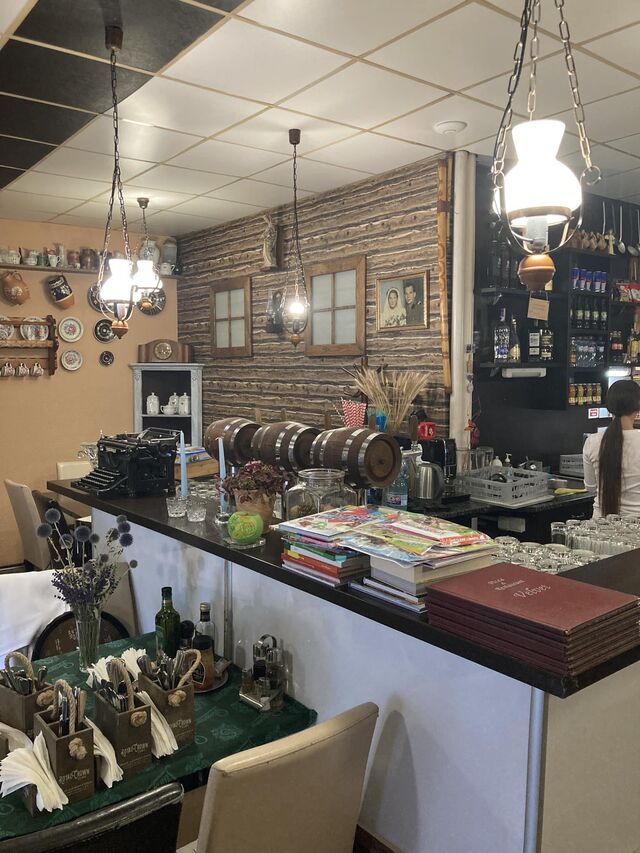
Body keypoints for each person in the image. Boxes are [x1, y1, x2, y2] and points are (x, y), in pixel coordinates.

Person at [583, 380, 640, 518]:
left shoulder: (592, 441)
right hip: (635, 524)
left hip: (600, 523)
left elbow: (590, 487)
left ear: (609, 407)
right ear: (637, 407)